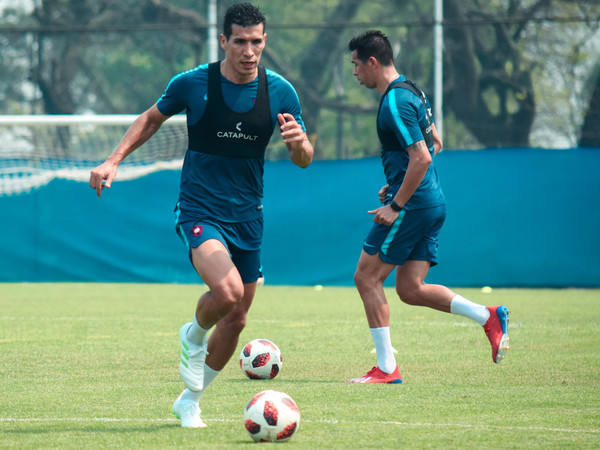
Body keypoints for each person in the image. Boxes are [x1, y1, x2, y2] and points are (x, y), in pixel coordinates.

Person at [89, 3, 313, 426]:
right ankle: (192, 335)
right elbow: (151, 119)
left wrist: (300, 143)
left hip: (248, 215)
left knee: (238, 317)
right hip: (200, 207)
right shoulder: (194, 84)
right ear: (224, 40)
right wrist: (113, 160)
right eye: (241, 41)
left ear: (265, 42)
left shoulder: (280, 91)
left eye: (257, 42)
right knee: (226, 294)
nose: (250, 51)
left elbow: (303, 159)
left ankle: (190, 401)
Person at [346, 30, 509, 384]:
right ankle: (487, 316)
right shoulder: (413, 91)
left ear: (372, 62)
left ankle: (387, 369)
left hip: (413, 206)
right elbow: (435, 142)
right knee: (410, 289)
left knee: (366, 277)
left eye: (356, 65)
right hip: (431, 201)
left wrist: (397, 202)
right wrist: (400, 179)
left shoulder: (394, 102)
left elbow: (421, 155)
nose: (355, 73)